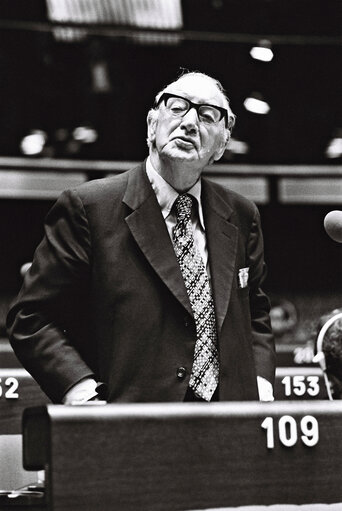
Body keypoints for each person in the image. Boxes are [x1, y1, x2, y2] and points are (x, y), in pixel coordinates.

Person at [7, 70, 275, 404]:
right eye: (177, 108)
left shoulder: (242, 214)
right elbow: (31, 318)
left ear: (221, 144)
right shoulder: (88, 208)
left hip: (232, 426)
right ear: (151, 126)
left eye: (207, 116)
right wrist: (83, 393)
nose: (191, 122)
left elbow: (255, 315)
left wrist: (261, 387)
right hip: (128, 425)